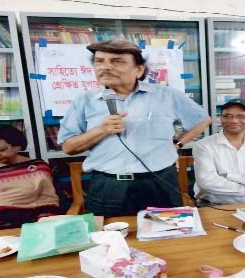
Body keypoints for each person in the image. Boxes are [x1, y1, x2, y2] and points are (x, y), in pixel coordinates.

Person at [57, 39, 211, 217]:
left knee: (168, 239)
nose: (105, 67)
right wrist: (102, 130)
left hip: (159, 183)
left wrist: (179, 144)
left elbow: (202, 120)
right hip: (108, 186)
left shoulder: (166, 95)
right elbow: (68, 147)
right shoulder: (84, 101)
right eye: (99, 61)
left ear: (139, 70)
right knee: (111, 240)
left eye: (117, 61)